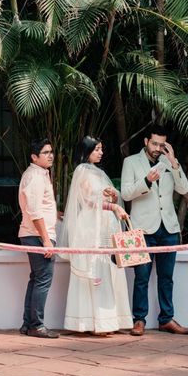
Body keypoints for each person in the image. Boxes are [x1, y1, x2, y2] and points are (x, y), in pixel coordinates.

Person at [121, 123, 188, 336]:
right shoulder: (131, 162)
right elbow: (125, 194)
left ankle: (166, 319)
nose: (157, 148)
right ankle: (139, 320)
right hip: (142, 229)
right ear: (145, 142)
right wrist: (146, 181)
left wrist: (173, 162)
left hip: (168, 228)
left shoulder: (168, 163)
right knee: (141, 277)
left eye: (161, 144)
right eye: (154, 143)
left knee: (166, 277)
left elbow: (184, 189)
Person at [60, 136, 133, 335]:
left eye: (101, 149)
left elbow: (102, 196)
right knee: (95, 268)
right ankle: (93, 322)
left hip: (105, 224)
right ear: (86, 151)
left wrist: (113, 196)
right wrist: (113, 206)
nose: (101, 152)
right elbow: (88, 201)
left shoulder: (98, 172)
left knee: (107, 268)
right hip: (91, 225)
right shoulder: (82, 171)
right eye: (97, 149)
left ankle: (109, 320)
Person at [17, 138, 59, 339]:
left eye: (51, 151)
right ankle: (37, 325)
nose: (50, 155)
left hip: (35, 234)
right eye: (45, 152)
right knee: (42, 280)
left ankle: (28, 324)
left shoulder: (40, 174)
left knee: (36, 280)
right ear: (34, 157)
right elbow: (34, 211)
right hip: (37, 235)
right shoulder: (34, 176)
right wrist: (46, 240)